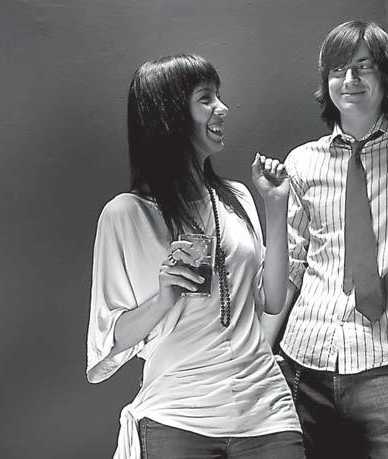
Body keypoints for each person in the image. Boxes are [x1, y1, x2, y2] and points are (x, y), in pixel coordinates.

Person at [261, 20, 388, 459]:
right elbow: (292, 268)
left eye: (363, 66)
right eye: (337, 70)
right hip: (302, 362)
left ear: (386, 74)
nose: (349, 79)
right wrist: (260, 355)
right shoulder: (303, 162)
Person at [86, 54, 305, 459]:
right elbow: (108, 341)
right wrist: (163, 298)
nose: (222, 108)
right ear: (169, 116)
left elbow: (272, 302)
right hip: (178, 415)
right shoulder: (125, 215)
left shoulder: (237, 198)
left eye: (218, 96)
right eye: (206, 99)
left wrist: (276, 206)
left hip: (265, 411)